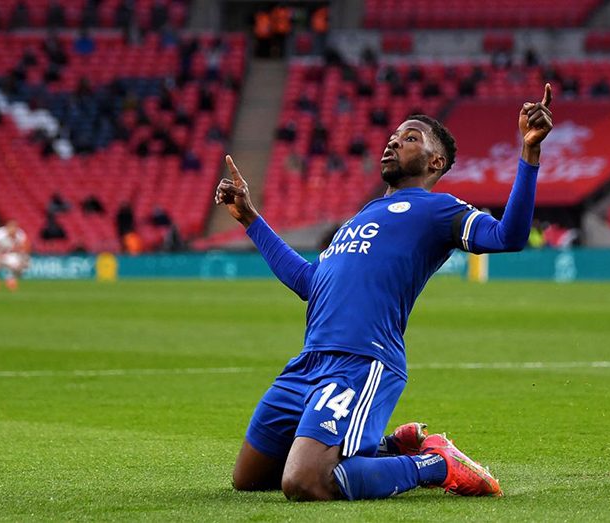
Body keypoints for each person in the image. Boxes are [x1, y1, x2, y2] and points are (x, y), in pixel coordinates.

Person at [214, 85, 554, 501]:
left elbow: (509, 235)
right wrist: (250, 217)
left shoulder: (439, 209)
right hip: (307, 364)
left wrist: (529, 152)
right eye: (394, 135)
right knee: (248, 479)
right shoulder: (360, 217)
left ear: (435, 161)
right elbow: (309, 283)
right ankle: (390, 446)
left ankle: (437, 463)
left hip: (360, 363)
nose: (394, 140)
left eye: (410, 137)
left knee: (304, 482)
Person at [0, 221, 29, 291]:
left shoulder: (19, 234)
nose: (13, 230)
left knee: (19, 265)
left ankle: (10, 279)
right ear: (7, 228)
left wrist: (23, 259)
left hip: (9, 254)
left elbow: (25, 247)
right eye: (11, 228)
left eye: (15, 228)